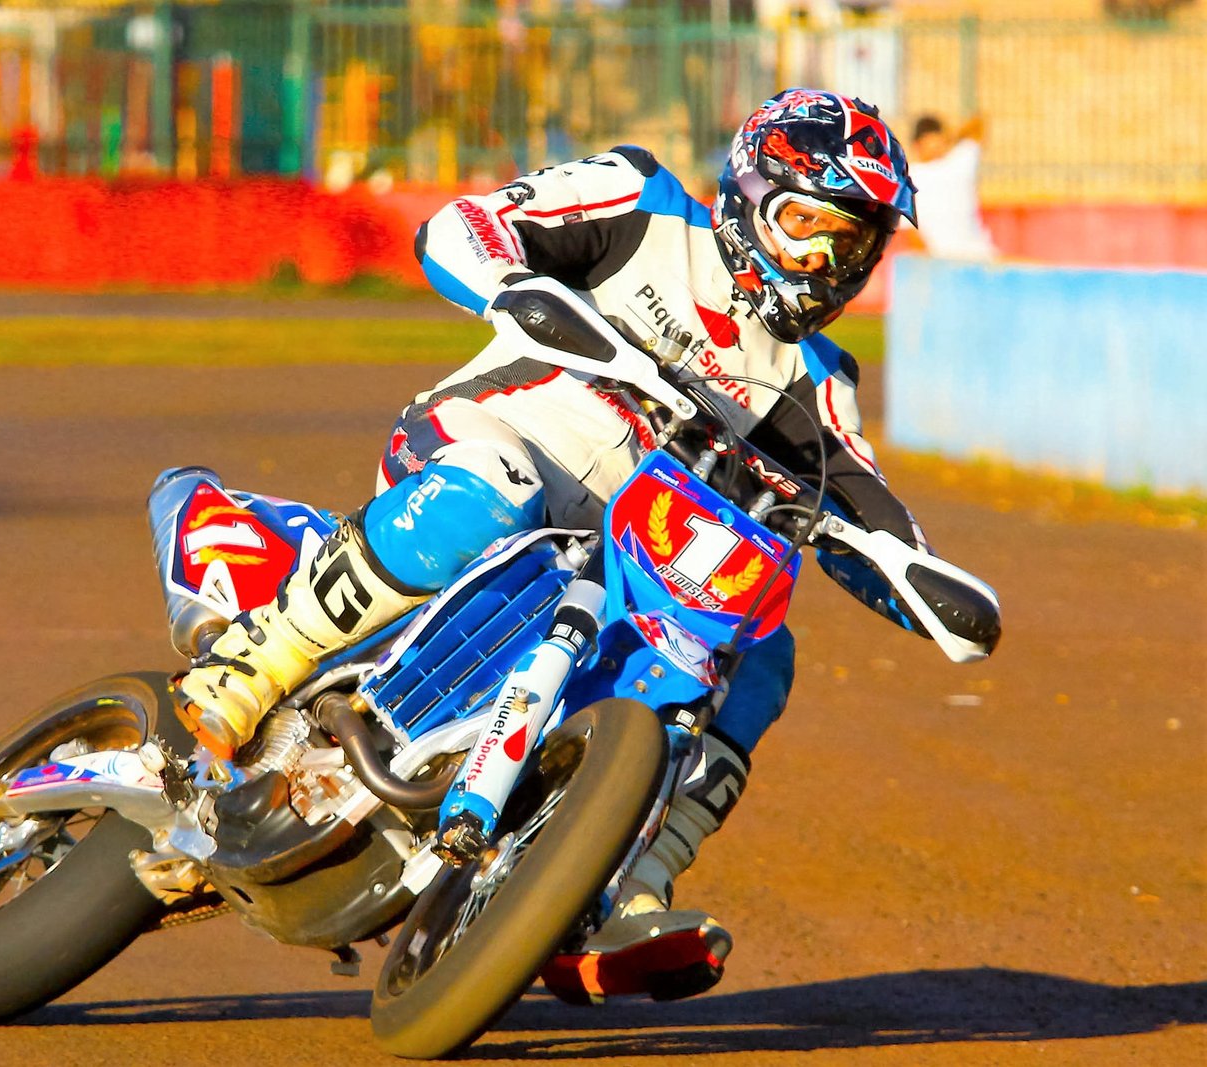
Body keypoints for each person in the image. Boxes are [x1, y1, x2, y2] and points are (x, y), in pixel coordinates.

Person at [176, 88, 994, 1001]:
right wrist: (514, 286)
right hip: (483, 446)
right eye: (806, 225)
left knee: (762, 650)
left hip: (619, 563)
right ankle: (255, 662)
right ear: (751, 191)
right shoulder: (642, 202)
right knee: (498, 487)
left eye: (851, 243)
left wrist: (927, 581)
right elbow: (461, 228)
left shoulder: (817, 381)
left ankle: (624, 876)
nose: (822, 262)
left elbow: (872, 509)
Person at [906, 113, 997, 260]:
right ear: (917, 145)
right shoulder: (910, 177)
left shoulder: (959, 163)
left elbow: (978, 123)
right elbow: (912, 233)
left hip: (978, 256)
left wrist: (951, 137)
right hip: (942, 260)